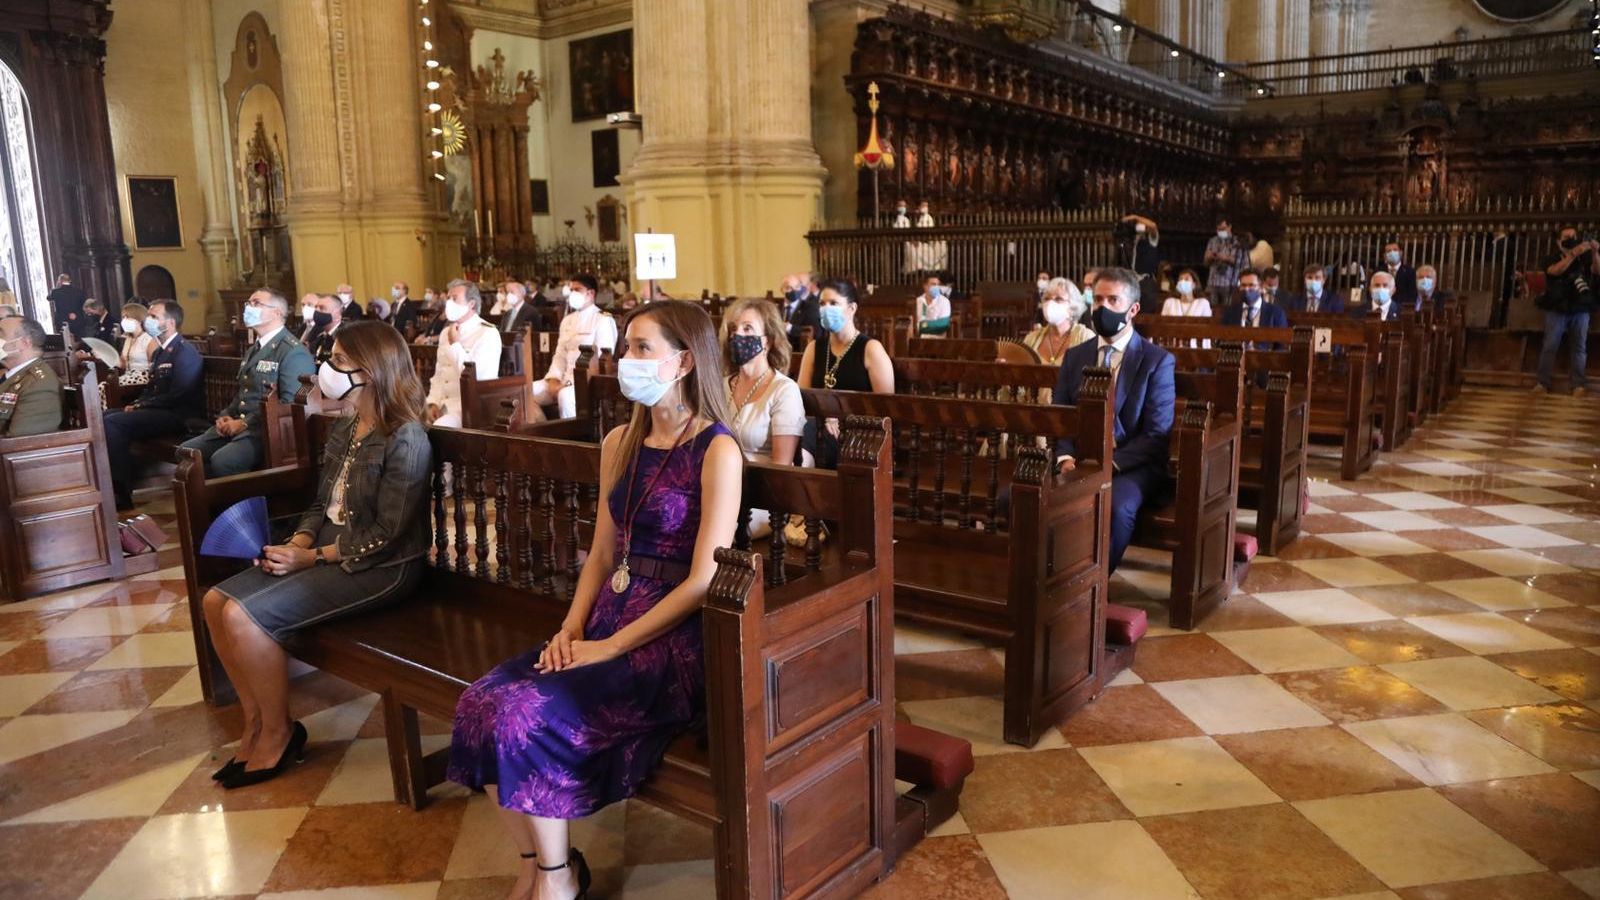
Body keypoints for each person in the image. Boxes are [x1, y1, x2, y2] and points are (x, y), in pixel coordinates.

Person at [448, 301, 742, 900]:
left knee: (523, 714)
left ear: (684, 361)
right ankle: (536, 864)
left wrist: (609, 648)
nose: (625, 359)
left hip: (671, 641)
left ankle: (557, 880)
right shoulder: (620, 442)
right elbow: (604, 554)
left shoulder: (716, 449)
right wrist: (571, 629)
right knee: (479, 704)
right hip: (609, 615)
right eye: (626, 346)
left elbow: (703, 581)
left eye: (641, 348)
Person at [201, 322, 431, 789]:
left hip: (381, 567)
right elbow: (320, 503)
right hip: (326, 551)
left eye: (340, 361)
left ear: (372, 370)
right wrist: (298, 544)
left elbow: (390, 534)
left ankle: (280, 732)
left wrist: (313, 558)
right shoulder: (346, 425)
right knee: (214, 602)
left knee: (244, 617)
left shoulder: (405, 437)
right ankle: (256, 721)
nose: (327, 368)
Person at [1052, 268, 1174, 571]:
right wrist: (1065, 456)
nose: (1102, 308)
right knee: (1016, 497)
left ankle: (1091, 584)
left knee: (1116, 508)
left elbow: (1157, 434)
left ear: (1133, 309)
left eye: (1113, 300)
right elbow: (1061, 415)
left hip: (1131, 466)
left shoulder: (1156, 360)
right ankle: (1051, 574)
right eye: (1097, 300)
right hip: (1079, 460)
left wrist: (1111, 463)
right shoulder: (1075, 356)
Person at [179, 289, 316, 477]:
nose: (248, 308)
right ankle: (213, 497)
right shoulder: (255, 349)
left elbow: (289, 404)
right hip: (240, 424)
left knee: (223, 461)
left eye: (256, 303)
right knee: (186, 452)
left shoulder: (292, 351)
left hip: (266, 430)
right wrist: (226, 416)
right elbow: (244, 392)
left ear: (277, 312)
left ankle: (251, 497)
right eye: (248, 303)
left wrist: (244, 423)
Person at [103, 301, 204, 510]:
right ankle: (114, 481)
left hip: (179, 415)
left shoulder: (184, 351)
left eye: (154, 317)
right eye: (148, 315)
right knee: (106, 416)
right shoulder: (161, 352)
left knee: (113, 424)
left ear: (171, 323)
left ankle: (121, 493)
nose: (148, 320)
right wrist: (138, 403)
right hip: (159, 410)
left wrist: (142, 406)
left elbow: (180, 394)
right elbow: (152, 387)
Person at [797, 279, 894, 469]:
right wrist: (826, 417)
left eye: (833, 303)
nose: (826, 309)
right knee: (796, 431)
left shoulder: (870, 349)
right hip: (820, 428)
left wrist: (840, 417)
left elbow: (885, 407)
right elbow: (801, 398)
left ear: (851, 308)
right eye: (822, 304)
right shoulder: (814, 348)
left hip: (859, 434)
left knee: (805, 438)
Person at [722, 297, 804, 466]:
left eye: (747, 328)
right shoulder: (721, 385)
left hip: (761, 479)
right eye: (733, 329)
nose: (737, 335)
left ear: (768, 341)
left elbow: (781, 466)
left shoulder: (784, 390)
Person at [528, 274, 618, 421]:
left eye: (577, 289)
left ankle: (572, 435)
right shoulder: (567, 320)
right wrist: (554, 379)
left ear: (590, 293)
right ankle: (544, 430)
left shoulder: (602, 319)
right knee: (527, 392)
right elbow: (560, 355)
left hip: (587, 381)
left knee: (565, 396)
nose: (572, 293)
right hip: (563, 377)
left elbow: (602, 359)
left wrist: (568, 383)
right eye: (571, 290)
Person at [424, 279, 503, 428]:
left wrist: (455, 345)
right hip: (443, 405)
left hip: (470, 407)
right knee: (409, 425)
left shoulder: (487, 333)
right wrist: (433, 402)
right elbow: (439, 374)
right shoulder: (446, 332)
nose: (449, 303)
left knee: (438, 428)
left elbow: (476, 378)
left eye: (454, 299)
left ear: (471, 304)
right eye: (448, 298)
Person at [1535, 227, 1598, 396]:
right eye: (1566, 237)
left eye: (1573, 236)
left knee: (1579, 347)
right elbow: (1555, 271)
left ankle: (1578, 385)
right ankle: (1542, 383)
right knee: (1550, 345)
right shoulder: (1551, 258)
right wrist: (1572, 254)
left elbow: (1597, 271)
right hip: (1556, 307)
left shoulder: (1584, 258)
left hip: (1580, 306)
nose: (1571, 239)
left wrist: (1594, 252)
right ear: (1558, 241)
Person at [0, 316, 63, 437]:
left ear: (24, 343)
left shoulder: (38, 385)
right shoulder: (12, 376)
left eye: (0, 334)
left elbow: (19, 441)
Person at [1024, 278, 1095, 366]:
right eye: (1046, 298)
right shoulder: (1031, 339)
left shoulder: (1085, 338)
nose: (1050, 303)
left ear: (1072, 308)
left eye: (1058, 299)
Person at [1220, 269, 1288, 330]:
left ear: (1261, 287)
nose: (1246, 289)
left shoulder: (1276, 313)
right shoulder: (1230, 313)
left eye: (1251, 285)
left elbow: (1282, 339)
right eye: (1243, 285)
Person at [1203, 218, 1247, 307]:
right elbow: (1205, 263)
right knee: (1211, 309)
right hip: (1213, 282)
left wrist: (1226, 258)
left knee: (1228, 309)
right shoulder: (1212, 241)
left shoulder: (1238, 242)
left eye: (1223, 229)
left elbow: (1243, 263)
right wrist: (1209, 257)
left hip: (1230, 283)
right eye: (1218, 229)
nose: (1220, 232)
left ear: (1229, 227)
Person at [113, 301, 159, 386]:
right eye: (123, 317)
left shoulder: (148, 339)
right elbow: (123, 364)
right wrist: (105, 356)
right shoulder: (128, 339)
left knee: (109, 387)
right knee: (104, 385)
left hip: (143, 377)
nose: (124, 320)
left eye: (127, 317)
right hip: (128, 375)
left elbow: (154, 366)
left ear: (139, 320)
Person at [779, 272, 822, 351]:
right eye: (789, 287)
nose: (794, 290)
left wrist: (789, 328)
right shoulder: (776, 308)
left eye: (797, 287)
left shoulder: (810, 307)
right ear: (782, 290)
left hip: (799, 351)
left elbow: (815, 333)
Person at [305, 294, 345, 365]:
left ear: (337, 314)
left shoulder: (344, 337)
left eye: (322, 308)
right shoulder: (319, 336)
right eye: (316, 307)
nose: (316, 311)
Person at [1379, 241, 1417, 308]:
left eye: (1395, 250)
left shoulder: (1410, 271)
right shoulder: (1379, 271)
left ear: (1401, 253)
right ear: (1384, 255)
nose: (1392, 253)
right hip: (1382, 306)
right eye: (1389, 251)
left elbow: (1412, 293)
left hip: (1403, 308)